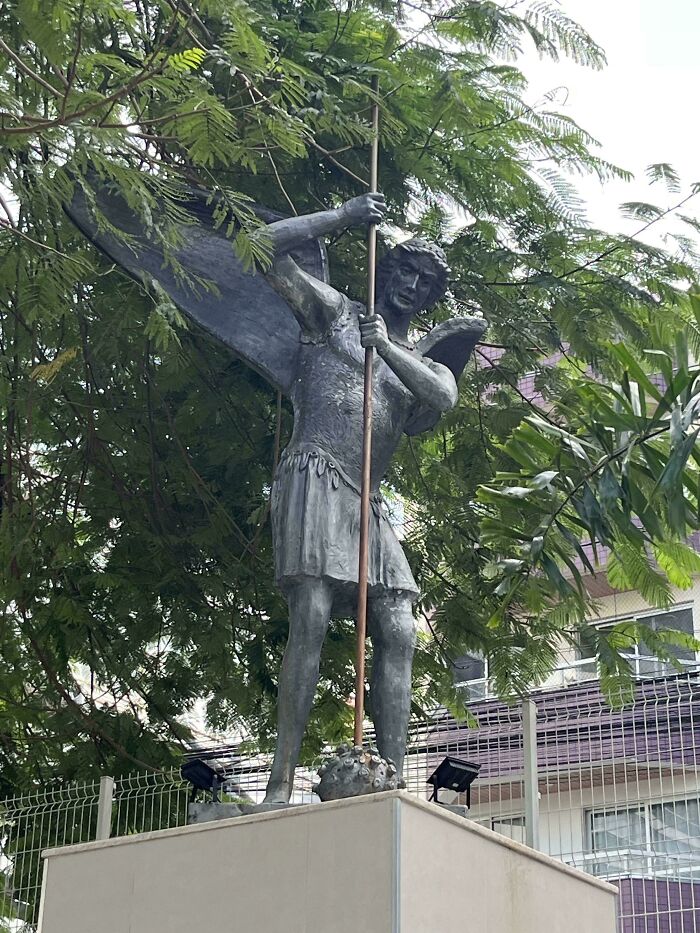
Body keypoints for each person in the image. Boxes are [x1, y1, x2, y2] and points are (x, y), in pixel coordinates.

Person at [261, 192, 457, 803]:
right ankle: (280, 782)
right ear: (386, 269)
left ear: (431, 297)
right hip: (316, 472)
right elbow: (262, 248)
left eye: (424, 282)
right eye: (405, 271)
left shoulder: (421, 361)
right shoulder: (336, 314)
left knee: (399, 627)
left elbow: (443, 397)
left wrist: (388, 348)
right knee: (312, 616)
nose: (411, 286)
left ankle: (391, 780)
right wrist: (344, 217)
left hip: (366, 500)